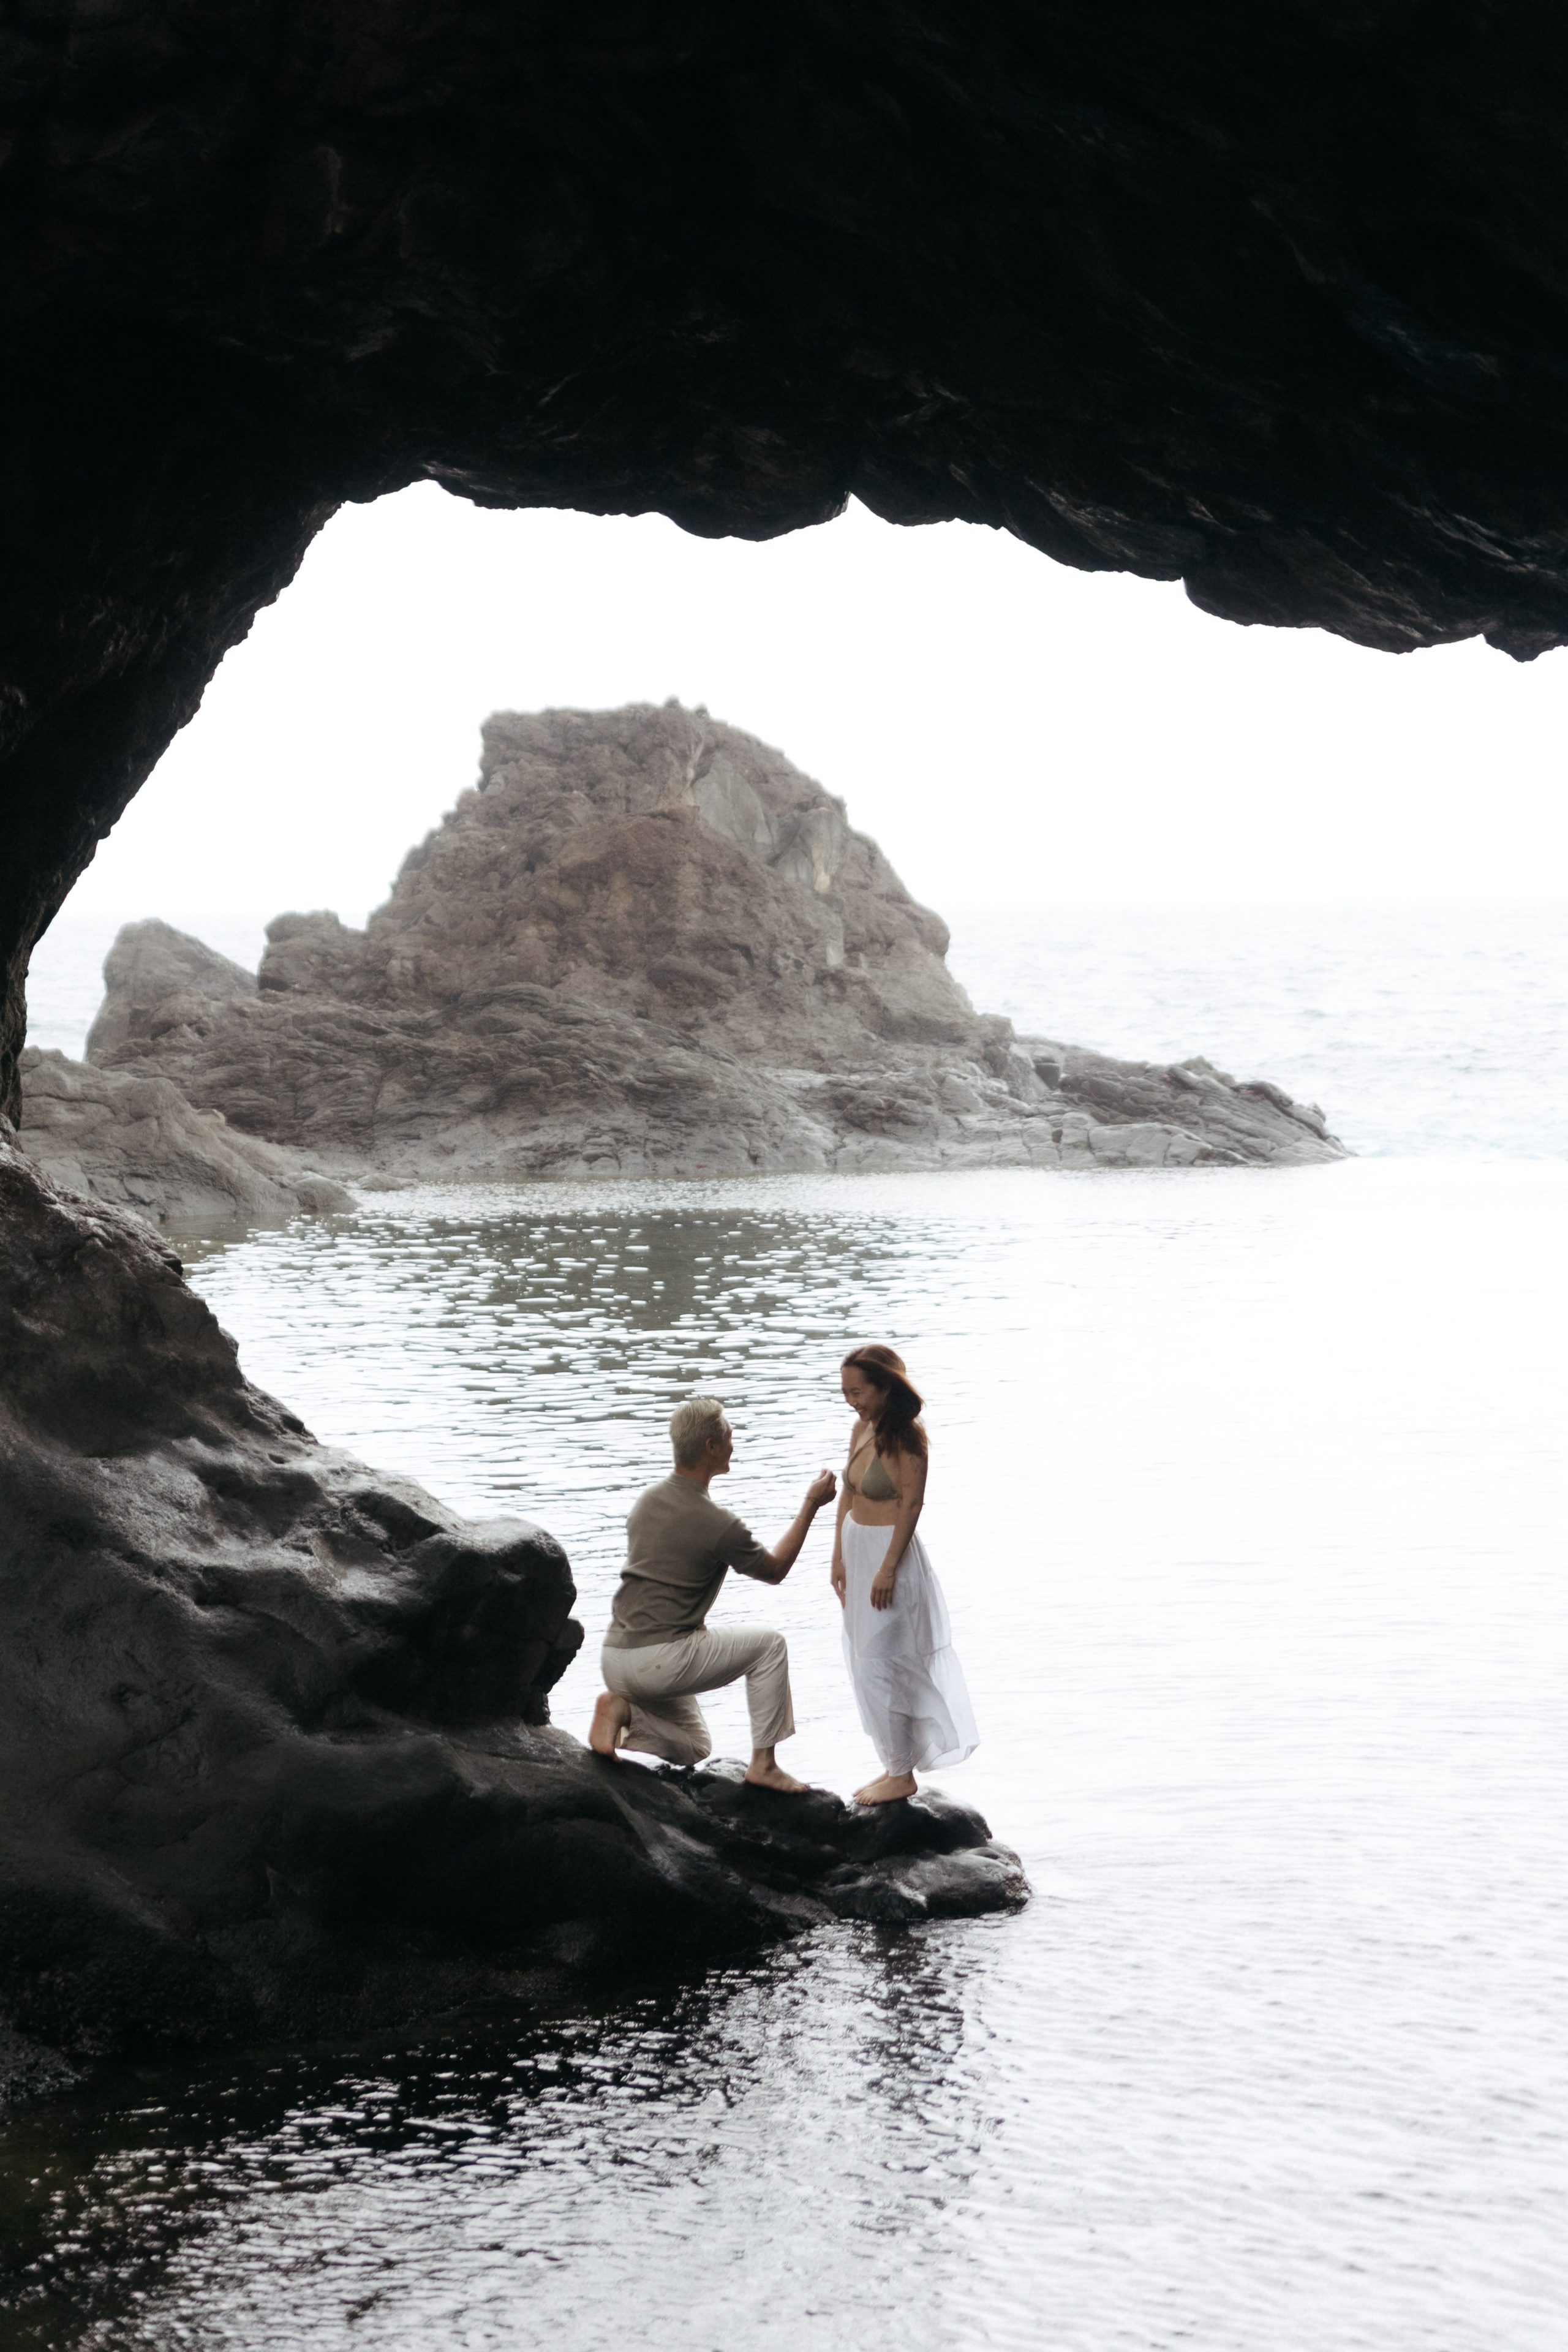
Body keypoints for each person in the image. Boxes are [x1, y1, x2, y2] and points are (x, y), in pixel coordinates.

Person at [589, 1396, 837, 1793]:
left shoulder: (646, 1502)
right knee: (770, 1646)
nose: (733, 1444)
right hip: (660, 1660)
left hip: (616, 1657)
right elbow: (775, 1571)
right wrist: (811, 1504)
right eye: (730, 1436)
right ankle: (764, 1765)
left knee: (695, 1746)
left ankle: (622, 1711)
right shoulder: (718, 1524)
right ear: (711, 1446)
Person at [831, 1343, 978, 1805]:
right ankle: (895, 1762)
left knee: (886, 1663)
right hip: (858, 1553)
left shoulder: (909, 1440)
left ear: (885, 1387)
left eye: (857, 1392)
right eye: (845, 1392)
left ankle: (902, 1774)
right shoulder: (861, 1429)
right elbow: (848, 1496)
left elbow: (911, 1506)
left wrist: (887, 1569)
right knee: (864, 1661)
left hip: (888, 1558)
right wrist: (837, 1557)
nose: (851, 1401)